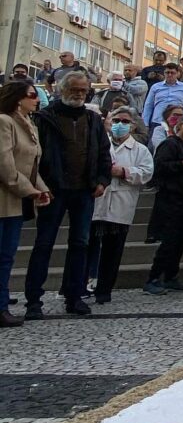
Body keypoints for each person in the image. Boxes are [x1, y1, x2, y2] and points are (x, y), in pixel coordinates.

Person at [24, 72, 112, 318]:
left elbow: (104, 153)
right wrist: (41, 184)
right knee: (44, 243)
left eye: (83, 90)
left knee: (80, 243)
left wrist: (102, 180)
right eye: (74, 89)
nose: (79, 94)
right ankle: (34, 300)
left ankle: (74, 296)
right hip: (54, 189)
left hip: (84, 190)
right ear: (62, 90)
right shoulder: (44, 118)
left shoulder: (92, 120)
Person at [87, 107, 154, 304]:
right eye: (116, 120)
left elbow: (146, 173)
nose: (120, 125)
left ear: (132, 126)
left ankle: (104, 289)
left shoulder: (140, 150)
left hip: (121, 204)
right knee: (87, 247)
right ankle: (80, 285)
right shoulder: (100, 144)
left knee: (113, 250)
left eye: (125, 121)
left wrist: (124, 172)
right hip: (97, 201)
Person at [0, 81, 50, 327]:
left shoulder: (29, 124)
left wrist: (41, 188)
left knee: (6, 256)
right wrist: (30, 191)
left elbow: (30, 165)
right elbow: (5, 165)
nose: (37, 99)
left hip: (15, 201)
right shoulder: (4, 121)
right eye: (32, 95)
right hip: (4, 198)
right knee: (2, 255)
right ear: (18, 98)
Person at [144, 115, 183, 295]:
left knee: (182, 239)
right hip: (171, 198)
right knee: (169, 240)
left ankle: (171, 276)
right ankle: (153, 278)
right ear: (180, 125)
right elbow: (160, 166)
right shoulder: (169, 144)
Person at [141, 64, 183, 137]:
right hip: (157, 121)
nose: (170, 75)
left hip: (177, 123)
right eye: (167, 72)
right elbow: (148, 106)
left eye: (172, 73)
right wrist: (145, 124)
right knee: (155, 143)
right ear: (164, 73)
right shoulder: (155, 87)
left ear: (177, 74)